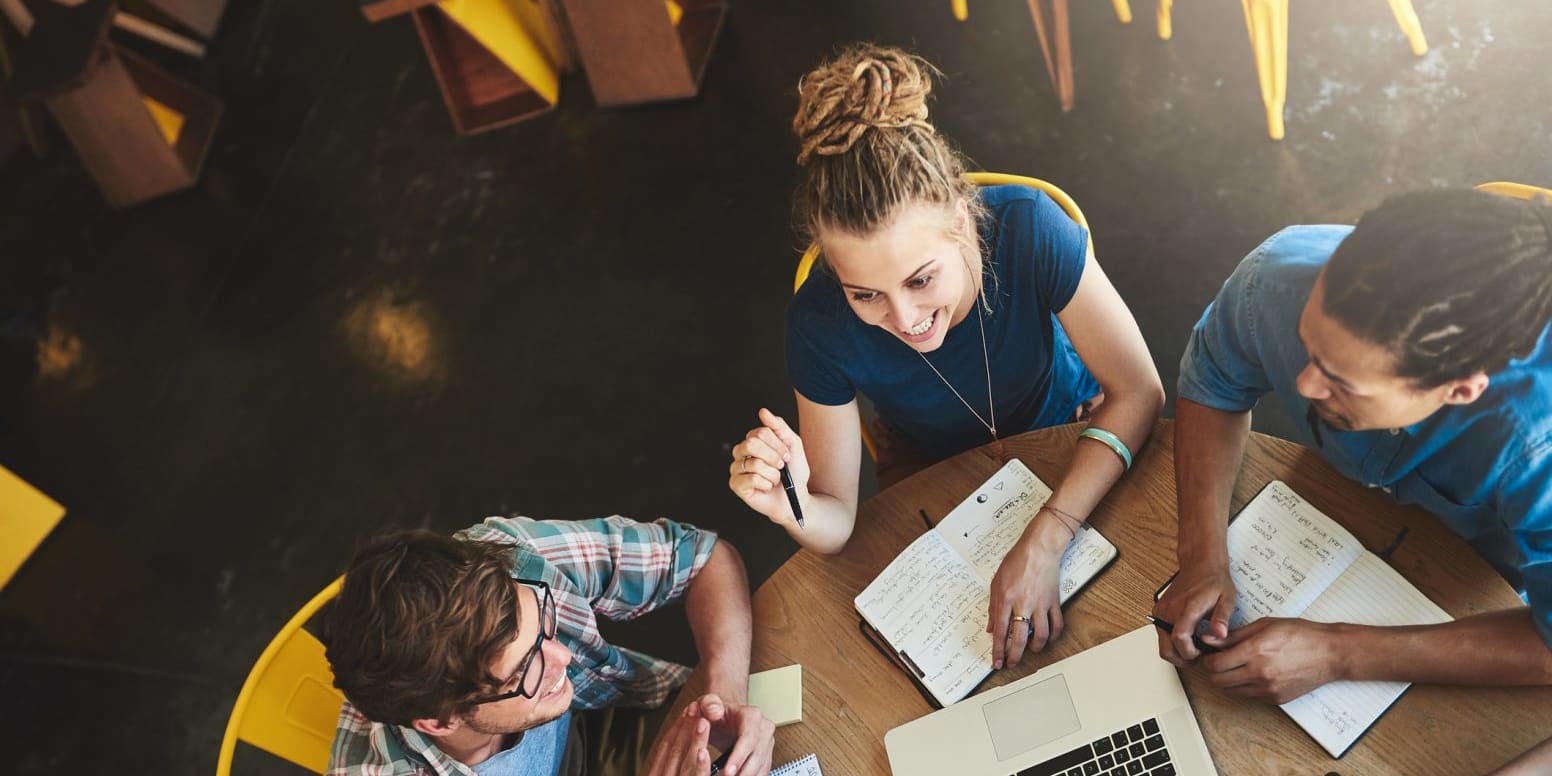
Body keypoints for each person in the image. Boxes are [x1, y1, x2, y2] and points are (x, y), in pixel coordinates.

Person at [726, 44, 1164, 669]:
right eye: (865, 294)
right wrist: (788, 504)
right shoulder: (819, 324)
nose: (904, 321)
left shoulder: (1030, 230)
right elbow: (837, 520)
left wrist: (1045, 537)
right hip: (931, 468)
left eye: (921, 279)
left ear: (962, 222)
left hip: (1070, 423)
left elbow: (1139, 393)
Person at [1155, 188, 1552, 703]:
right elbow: (1215, 382)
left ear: (1458, 390)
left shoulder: (1538, 450)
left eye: (1341, 382)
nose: (1302, 386)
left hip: (1482, 599)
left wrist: (1338, 653)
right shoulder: (1277, 278)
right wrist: (1201, 556)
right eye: (1308, 344)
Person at [323, 515, 775, 776]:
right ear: (440, 721)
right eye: (524, 672)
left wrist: (725, 694)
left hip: (619, 725)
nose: (564, 657)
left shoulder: (510, 558)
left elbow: (702, 556)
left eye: (542, 622)